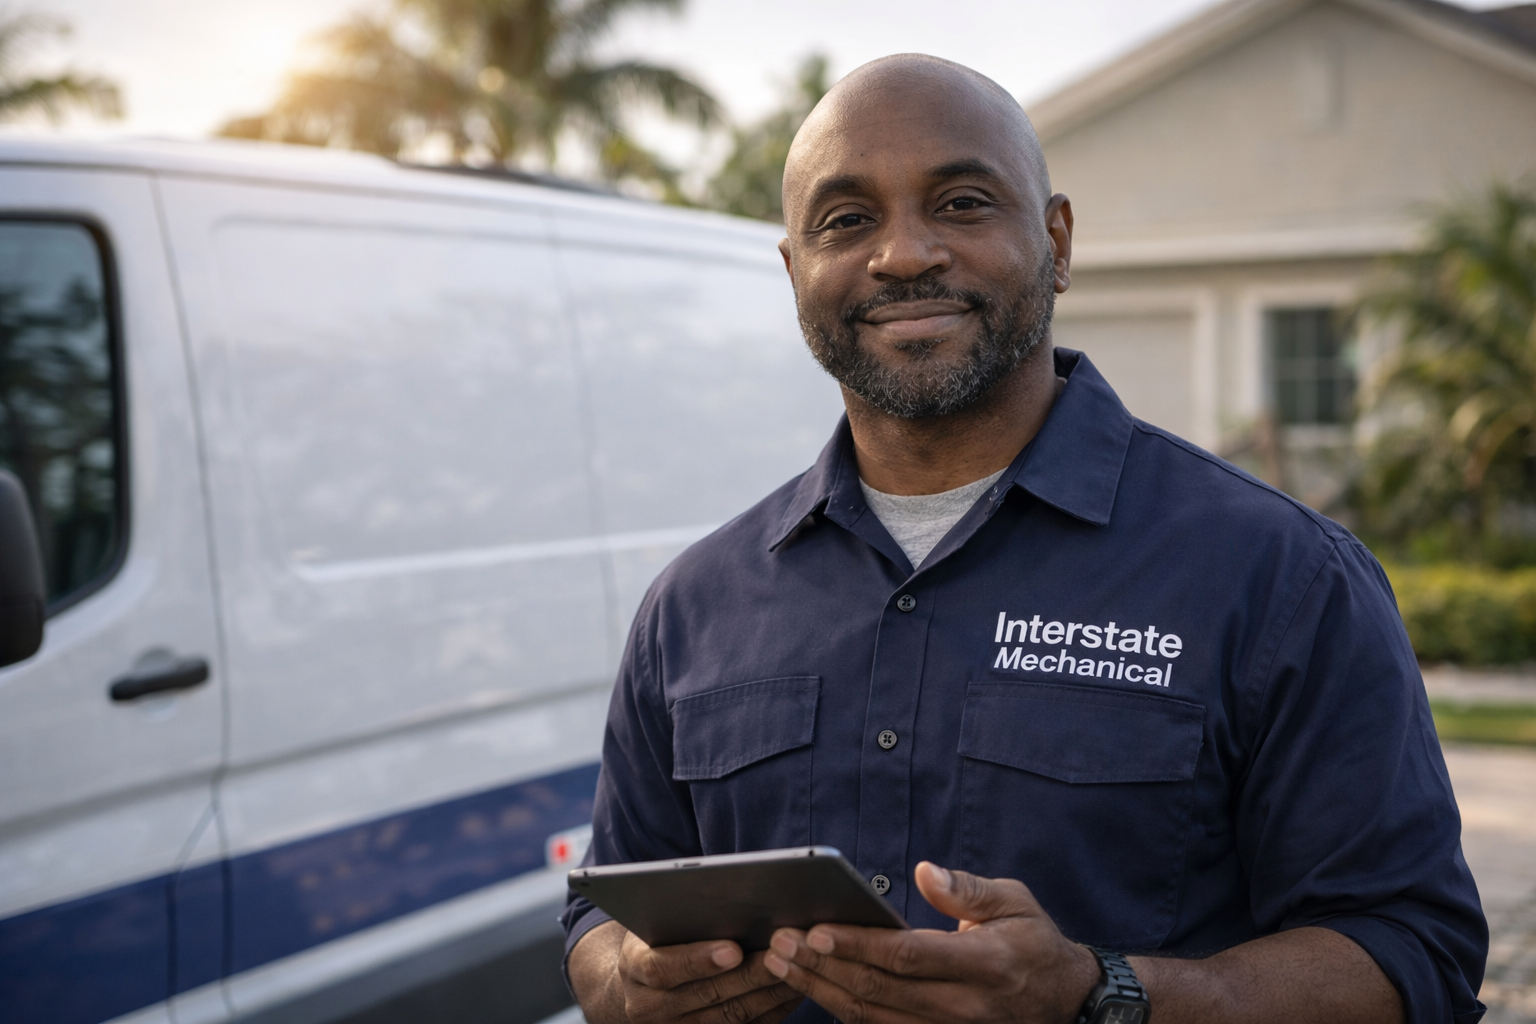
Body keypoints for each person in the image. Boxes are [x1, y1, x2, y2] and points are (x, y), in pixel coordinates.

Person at [561, 54, 1486, 1024]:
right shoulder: (693, 607)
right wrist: (626, 982)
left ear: (1057, 240)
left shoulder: (1284, 578)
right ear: (796, 272)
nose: (905, 254)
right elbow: (597, 913)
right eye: (847, 220)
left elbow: (1411, 953)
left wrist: (1103, 993)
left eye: (961, 203)